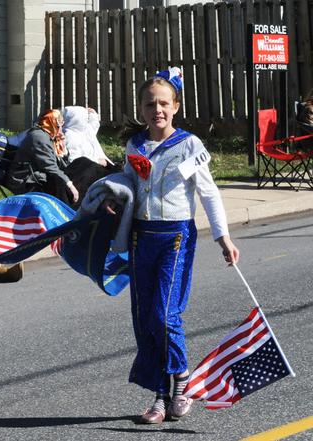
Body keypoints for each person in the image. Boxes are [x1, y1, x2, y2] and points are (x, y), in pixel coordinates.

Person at [101, 67, 240, 424]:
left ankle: (181, 378)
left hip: (175, 237)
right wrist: (113, 200)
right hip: (140, 237)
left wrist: (222, 236)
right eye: (150, 104)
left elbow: (208, 193)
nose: (157, 110)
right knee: (146, 320)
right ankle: (161, 395)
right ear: (142, 109)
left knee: (165, 314)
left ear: (176, 106)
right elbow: (129, 185)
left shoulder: (190, 145)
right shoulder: (134, 145)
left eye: (163, 103)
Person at [5, 109, 109, 207]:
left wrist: (63, 149)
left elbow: (61, 163)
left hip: (43, 173)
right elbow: (50, 167)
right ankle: (77, 205)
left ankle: (101, 191)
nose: (61, 128)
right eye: (58, 124)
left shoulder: (48, 135)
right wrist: (70, 185)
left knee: (84, 162)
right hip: (29, 180)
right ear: (50, 122)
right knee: (81, 176)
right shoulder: (39, 137)